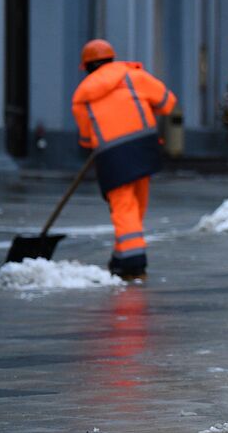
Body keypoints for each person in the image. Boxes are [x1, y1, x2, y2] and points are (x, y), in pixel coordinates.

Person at [70, 39, 178, 279]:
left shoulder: (82, 95)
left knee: (123, 208)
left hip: (112, 155)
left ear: (87, 66)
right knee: (136, 206)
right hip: (143, 147)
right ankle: (122, 257)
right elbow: (167, 103)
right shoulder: (134, 76)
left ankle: (133, 265)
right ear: (111, 58)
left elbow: (87, 138)